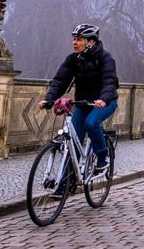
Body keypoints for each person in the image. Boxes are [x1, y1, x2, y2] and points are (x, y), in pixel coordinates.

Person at [38, 24, 119, 178]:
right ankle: (64, 185)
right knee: (73, 144)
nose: (74, 43)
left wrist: (103, 99)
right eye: (74, 39)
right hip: (83, 103)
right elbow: (60, 81)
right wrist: (49, 100)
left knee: (91, 123)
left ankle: (102, 158)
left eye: (79, 40)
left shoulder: (105, 58)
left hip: (106, 102)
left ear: (90, 42)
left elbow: (110, 81)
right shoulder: (73, 59)